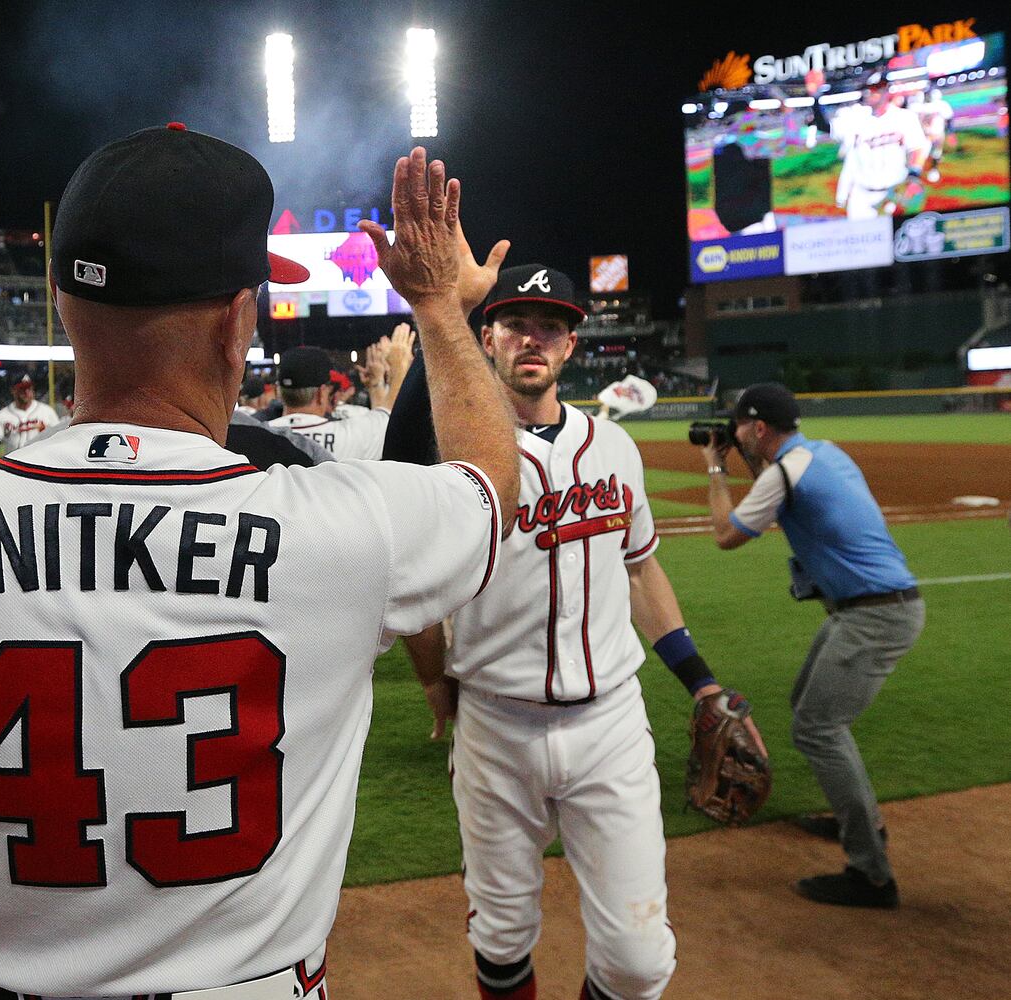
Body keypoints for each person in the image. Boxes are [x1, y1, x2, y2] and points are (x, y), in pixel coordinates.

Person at [0, 133, 519, 1000]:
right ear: (239, 318)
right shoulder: (341, 529)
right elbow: (491, 481)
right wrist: (439, 308)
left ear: (62, 302)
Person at [386, 263, 764, 1000]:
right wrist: (434, 680)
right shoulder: (455, 457)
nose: (533, 338)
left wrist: (700, 680)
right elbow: (415, 585)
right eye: (517, 323)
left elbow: (641, 570)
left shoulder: (614, 449)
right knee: (499, 939)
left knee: (639, 962)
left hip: (609, 724)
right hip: (497, 725)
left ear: (570, 345)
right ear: (487, 337)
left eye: (549, 326)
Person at [701, 382, 923, 909]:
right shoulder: (820, 454)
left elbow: (725, 535)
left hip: (875, 617)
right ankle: (859, 818)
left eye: (738, 427)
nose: (732, 434)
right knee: (807, 706)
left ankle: (871, 873)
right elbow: (777, 495)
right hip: (873, 607)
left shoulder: (783, 471)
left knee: (818, 728)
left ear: (758, 429)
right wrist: (747, 463)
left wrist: (715, 467)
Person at [268, 329, 413, 460]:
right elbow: (385, 417)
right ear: (321, 393)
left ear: (278, 392)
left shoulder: (258, 435)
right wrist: (397, 370)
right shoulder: (350, 436)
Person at [831, 72, 929, 220]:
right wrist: (816, 97)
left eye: (877, 88)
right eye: (869, 88)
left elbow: (917, 148)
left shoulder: (905, 117)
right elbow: (827, 126)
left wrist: (914, 175)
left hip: (893, 191)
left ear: (886, 90)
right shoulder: (856, 119)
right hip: (862, 194)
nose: (871, 92)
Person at [0, 374, 60, 456]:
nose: (26, 392)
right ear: (13, 390)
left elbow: (58, 441)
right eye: (22, 388)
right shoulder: (3, 415)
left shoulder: (47, 412)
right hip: (13, 464)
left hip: (40, 462)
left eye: (29, 388)